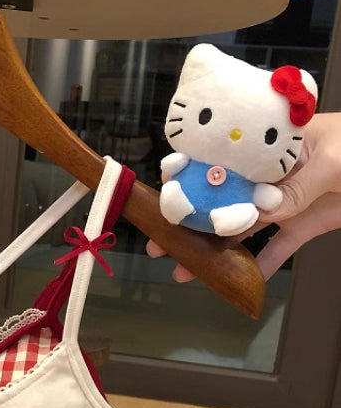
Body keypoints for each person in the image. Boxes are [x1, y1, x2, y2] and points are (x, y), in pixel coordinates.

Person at [146, 111, 341, 281]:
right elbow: (171, 165)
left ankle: (219, 216)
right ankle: (178, 202)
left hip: (233, 209)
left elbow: (270, 198)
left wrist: (285, 197)